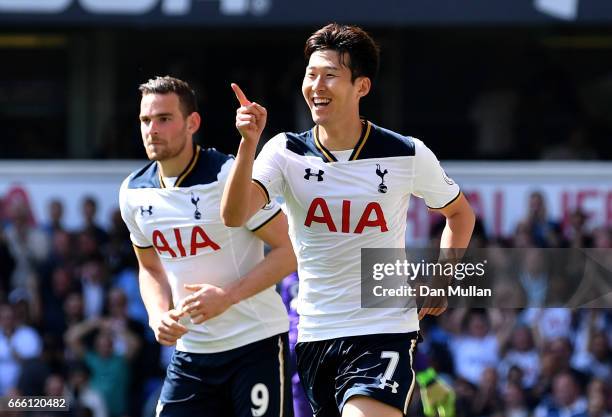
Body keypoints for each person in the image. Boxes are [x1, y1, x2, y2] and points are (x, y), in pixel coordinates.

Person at [221, 23, 475, 417]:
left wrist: (443, 278)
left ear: (362, 86)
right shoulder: (283, 152)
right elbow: (234, 215)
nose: (316, 85)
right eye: (311, 74)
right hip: (314, 334)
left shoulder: (406, 153)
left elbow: (459, 213)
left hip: (384, 328)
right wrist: (247, 144)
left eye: (330, 76)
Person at [118, 76, 296, 417]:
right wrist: (157, 316)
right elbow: (150, 267)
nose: (152, 129)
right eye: (145, 120)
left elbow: (290, 249)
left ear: (192, 123)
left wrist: (227, 297)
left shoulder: (227, 175)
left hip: (253, 345)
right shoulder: (133, 192)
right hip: (191, 354)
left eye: (164, 119)